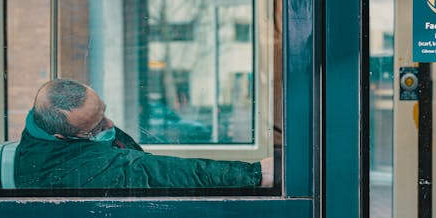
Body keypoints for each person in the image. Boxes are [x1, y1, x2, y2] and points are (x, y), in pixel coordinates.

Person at [15, 79, 273, 189]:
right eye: (95, 127)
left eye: (103, 112)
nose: (109, 123)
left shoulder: (45, 124)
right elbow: (152, 170)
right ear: (64, 137)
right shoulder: (73, 170)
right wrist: (255, 174)